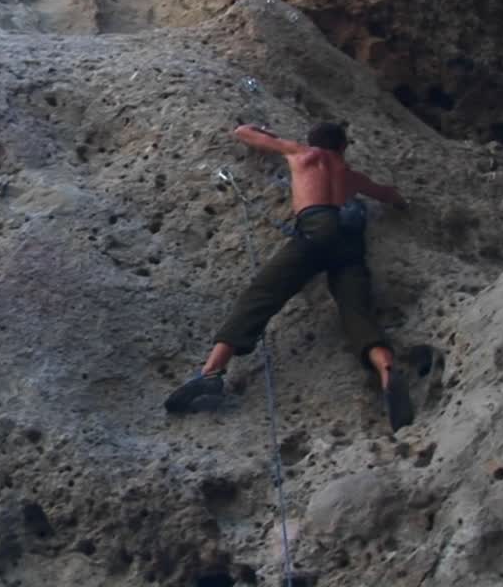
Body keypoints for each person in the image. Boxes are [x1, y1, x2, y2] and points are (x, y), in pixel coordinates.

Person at [164, 121, 415, 431]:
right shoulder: (350, 176)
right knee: (356, 313)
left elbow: (242, 133)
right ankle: (386, 368)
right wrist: (404, 205)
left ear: (313, 142)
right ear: (343, 147)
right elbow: (389, 194)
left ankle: (212, 373)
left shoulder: (302, 153)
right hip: (350, 239)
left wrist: (261, 129)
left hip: (316, 228)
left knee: (261, 295)